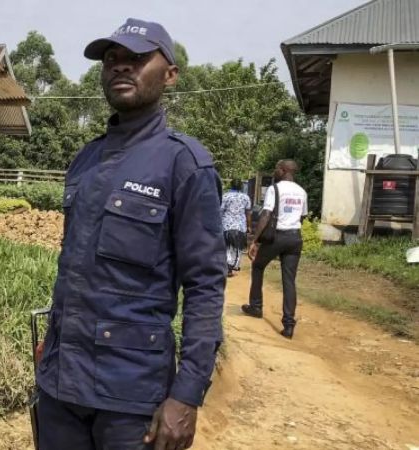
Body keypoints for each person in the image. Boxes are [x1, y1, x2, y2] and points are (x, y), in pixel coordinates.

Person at [35, 18, 226, 450]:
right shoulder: (85, 160)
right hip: (61, 387)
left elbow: (205, 286)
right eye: (111, 59)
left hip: (132, 396)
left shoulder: (185, 165)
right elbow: (74, 271)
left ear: (170, 74)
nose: (121, 67)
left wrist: (187, 394)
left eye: (137, 58)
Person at [242, 160, 307, 339]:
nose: (275, 171)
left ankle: (255, 306)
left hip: (277, 237)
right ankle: (288, 324)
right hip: (295, 238)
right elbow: (302, 217)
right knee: (289, 280)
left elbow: (266, 215)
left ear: (284, 170)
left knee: (257, 266)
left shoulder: (275, 189)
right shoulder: (302, 191)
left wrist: (254, 240)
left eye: (277, 168)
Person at [221, 179, 252, 277]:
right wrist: (249, 226)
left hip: (226, 226)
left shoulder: (225, 196)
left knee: (226, 247)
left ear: (231, 186)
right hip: (240, 226)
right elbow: (248, 213)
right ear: (241, 187)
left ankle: (226, 267)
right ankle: (231, 268)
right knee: (237, 248)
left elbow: (220, 211)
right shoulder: (245, 198)